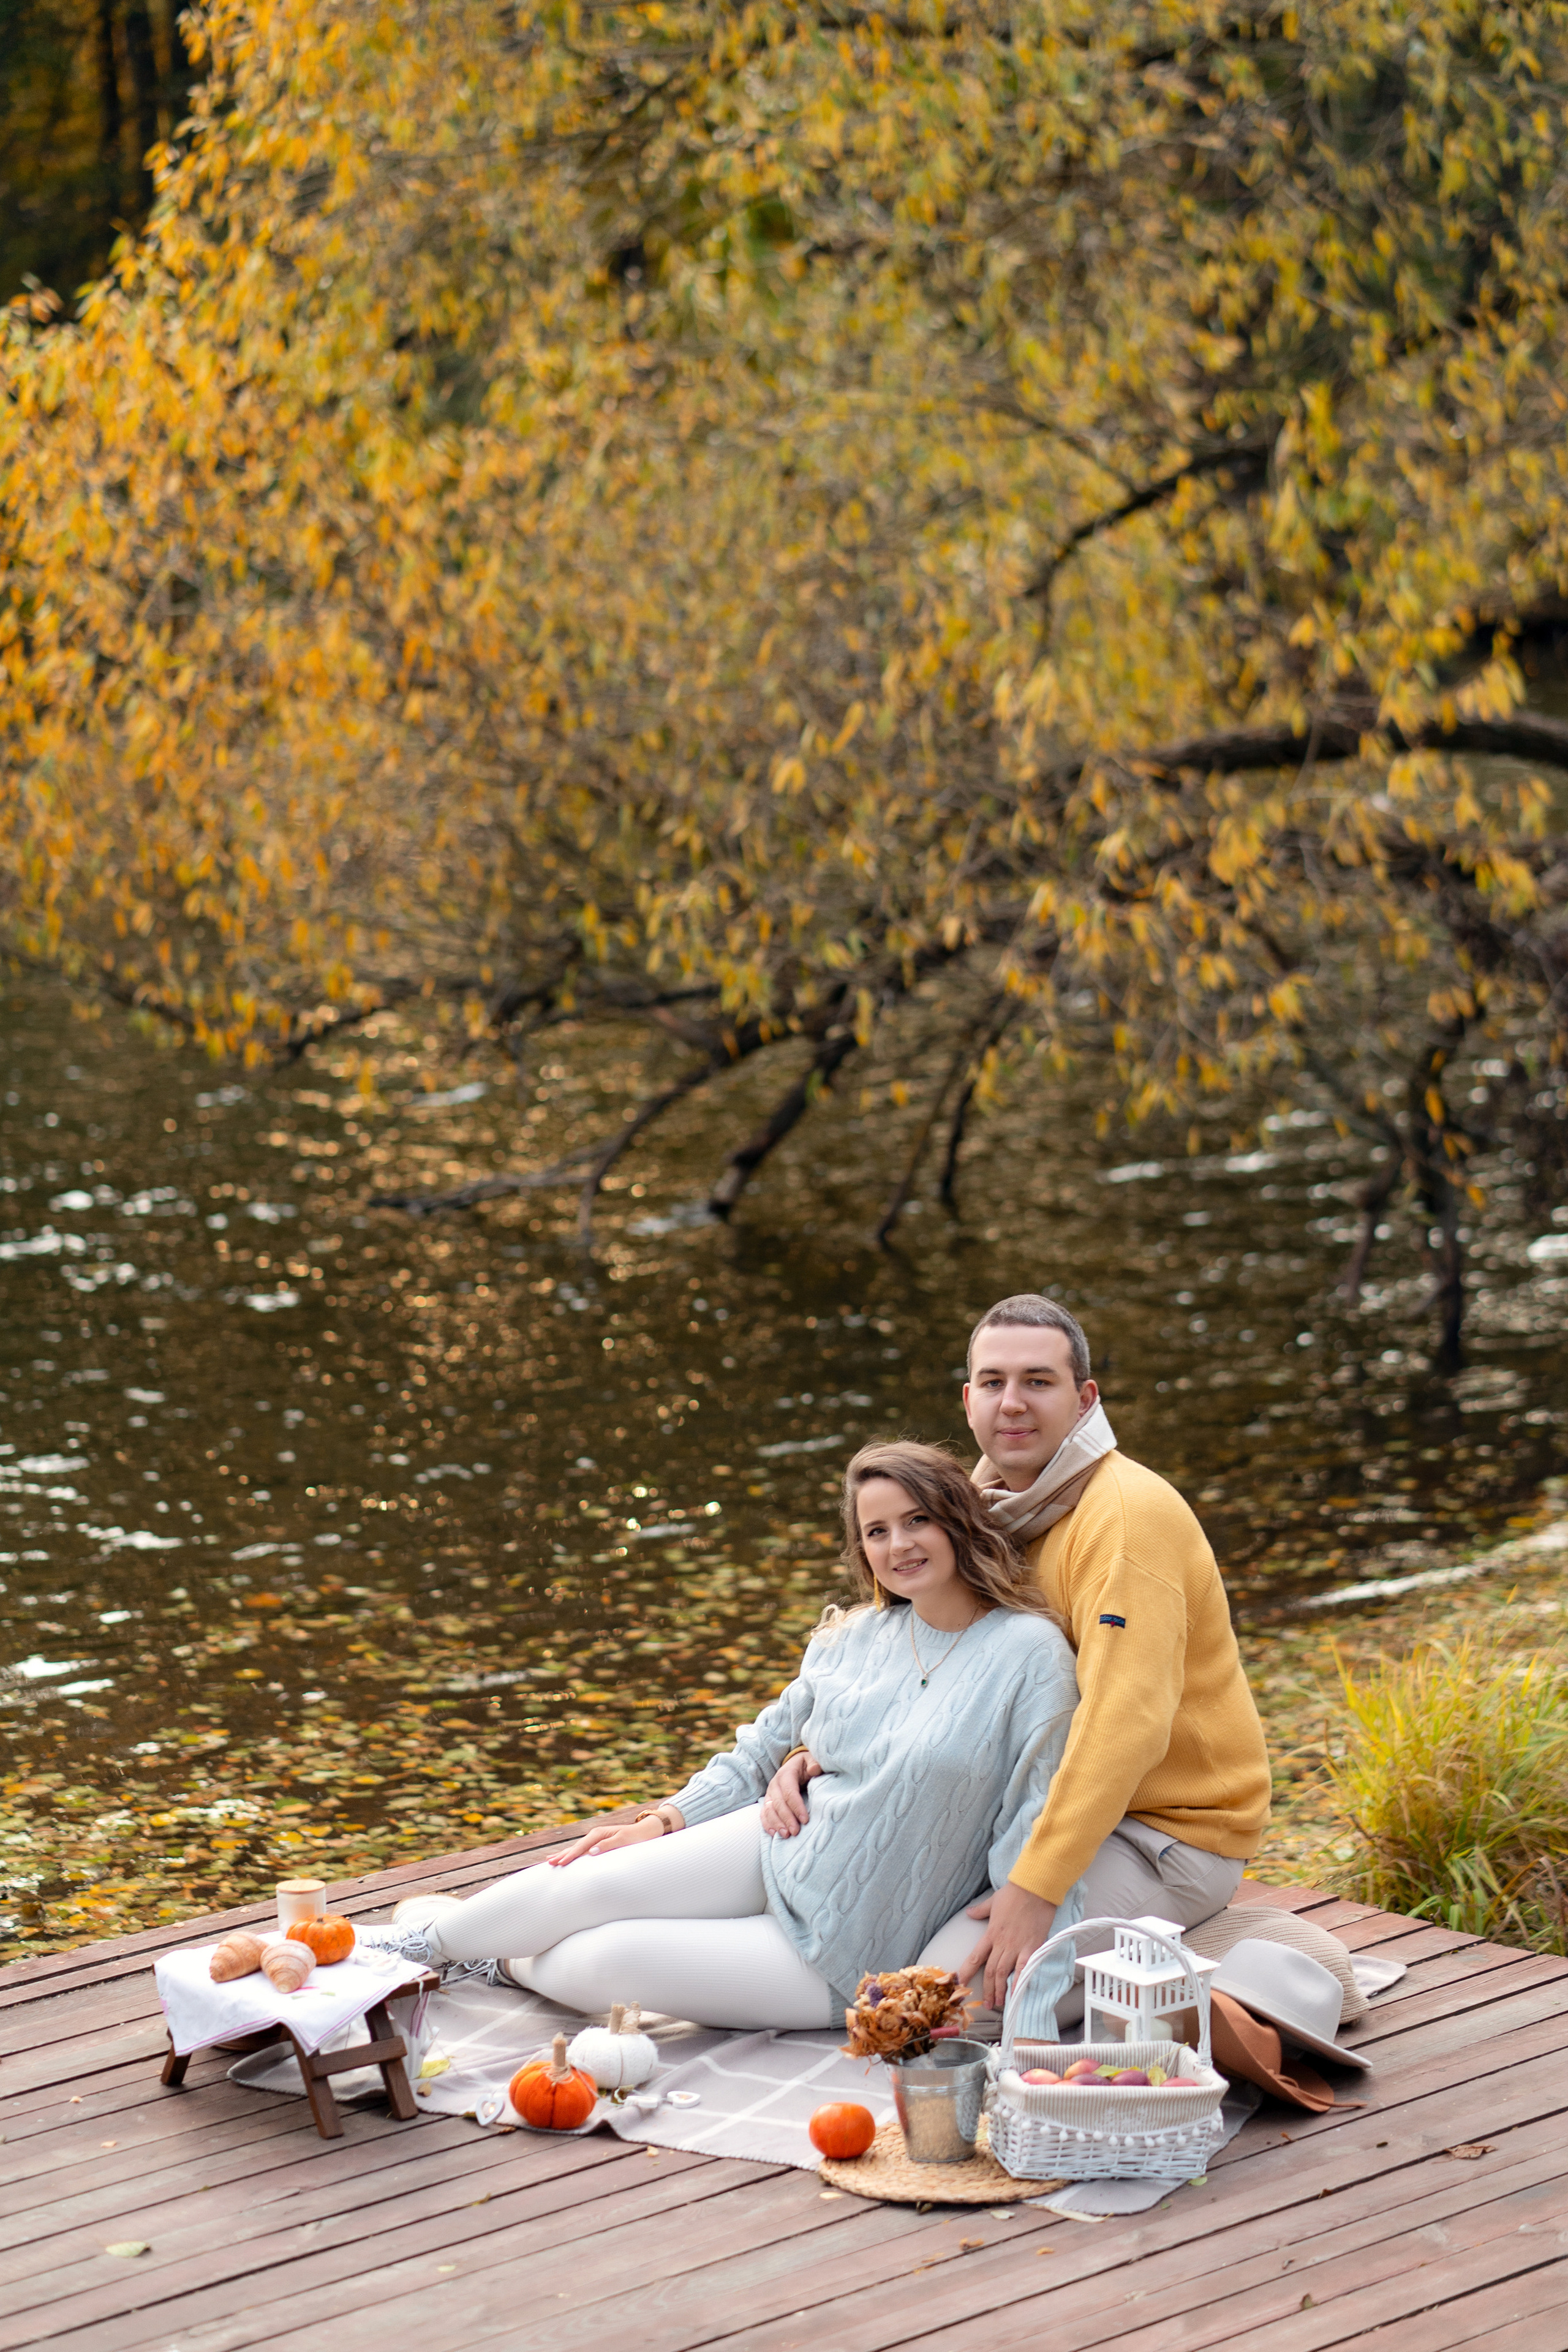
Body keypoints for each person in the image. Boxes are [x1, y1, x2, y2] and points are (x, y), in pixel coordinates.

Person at [365, 1441, 1085, 2033]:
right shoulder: (857, 1637)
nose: (898, 1545)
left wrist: (929, 1988)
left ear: (957, 1521)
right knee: (593, 1879)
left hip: (851, 1947)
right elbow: (759, 1749)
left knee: (605, 1962)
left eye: (916, 1521)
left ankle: (499, 1956)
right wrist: (664, 1821)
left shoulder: (1029, 1654)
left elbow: (1032, 1829)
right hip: (784, 1843)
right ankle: (402, 1954)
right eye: (875, 1531)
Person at [763, 1294, 1271, 2013]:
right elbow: (911, 1658)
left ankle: (1191, 1968)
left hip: (1160, 1831)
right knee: (889, 1964)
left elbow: (1124, 1728)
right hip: (1019, 1807)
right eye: (995, 1384)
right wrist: (814, 1751)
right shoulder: (982, 1506)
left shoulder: (1126, 1520)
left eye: (1038, 1381)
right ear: (968, 1401)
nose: (1013, 1404)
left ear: (1084, 1398)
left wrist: (1037, 1888)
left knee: (937, 2007)